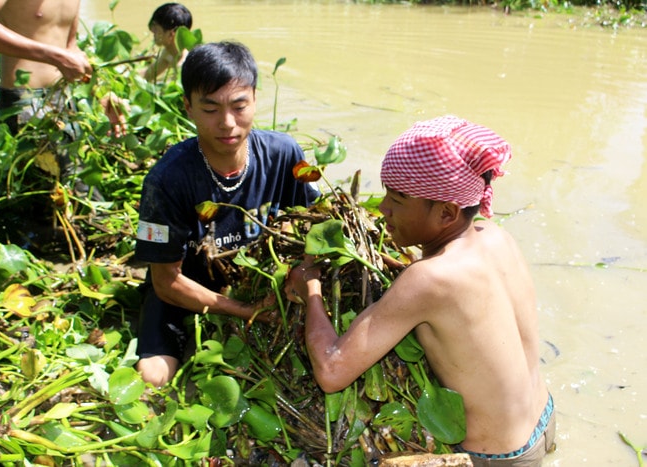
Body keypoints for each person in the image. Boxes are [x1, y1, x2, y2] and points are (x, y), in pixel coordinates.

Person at [285, 115, 555, 466]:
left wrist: (311, 287)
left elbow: (332, 372)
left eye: (397, 200)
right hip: (543, 421)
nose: (382, 209)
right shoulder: (496, 237)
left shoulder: (428, 280)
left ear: (446, 212)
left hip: (499, 458)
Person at [134, 41, 320, 387]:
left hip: (260, 280)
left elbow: (313, 223)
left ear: (254, 99)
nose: (227, 123)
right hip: (186, 289)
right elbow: (165, 281)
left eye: (239, 106)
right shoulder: (164, 181)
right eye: (210, 109)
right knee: (153, 377)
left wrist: (300, 270)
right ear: (187, 106)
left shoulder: (284, 153)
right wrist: (248, 313)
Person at [0, 0, 127, 163]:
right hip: (25, 106)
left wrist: (99, 93)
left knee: (79, 189)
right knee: (34, 188)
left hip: (65, 102)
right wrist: (55, 57)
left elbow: (72, 50)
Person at [141, 3, 193, 82]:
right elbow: (147, 74)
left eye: (156, 27)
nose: (152, 30)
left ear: (171, 34)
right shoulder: (169, 52)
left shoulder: (184, 65)